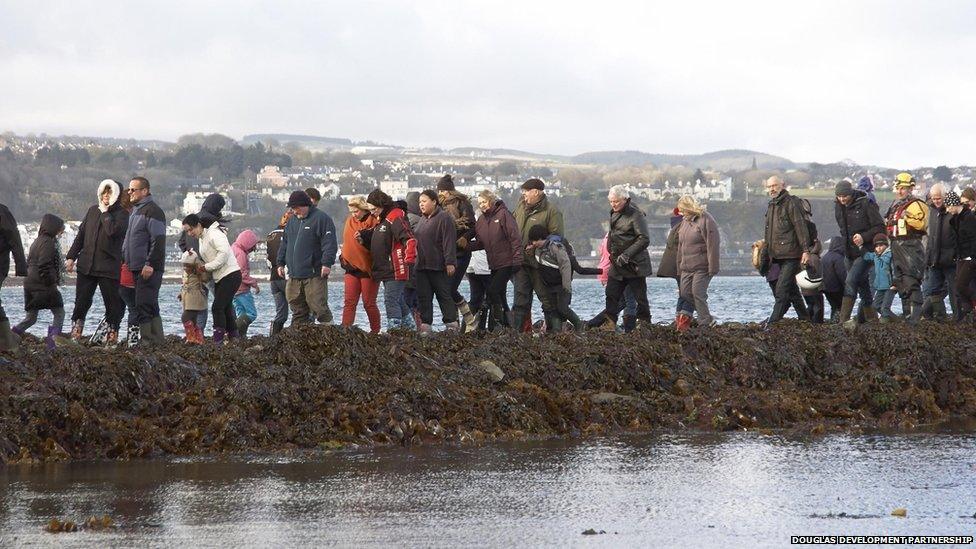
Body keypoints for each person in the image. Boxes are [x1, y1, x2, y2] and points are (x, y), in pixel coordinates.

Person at [64, 179, 128, 345]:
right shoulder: (93, 210)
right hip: (86, 265)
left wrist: (105, 213)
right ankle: (76, 333)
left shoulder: (122, 214)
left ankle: (112, 336)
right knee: (81, 302)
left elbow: (112, 231)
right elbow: (81, 235)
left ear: (116, 195)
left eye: (110, 192)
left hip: (108, 267)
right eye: (104, 192)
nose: (106, 195)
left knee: (112, 304)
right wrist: (71, 257)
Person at [276, 190, 338, 325]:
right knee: (297, 309)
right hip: (294, 274)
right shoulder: (291, 221)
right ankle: (298, 337)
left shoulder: (322, 219)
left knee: (319, 307)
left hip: (314, 273)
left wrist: (327, 263)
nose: (294, 211)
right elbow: (285, 243)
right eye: (292, 209)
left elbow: (330, 243)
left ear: (304, 205)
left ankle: (331, 332)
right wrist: (280, 263)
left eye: (295, 208)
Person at [513, 178, 564, 332]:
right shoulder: (520, 208)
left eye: (526, 191)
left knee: (547, 301)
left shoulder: (552, 211)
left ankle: (553, 334)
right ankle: (518, 335)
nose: (524, 195)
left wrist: (536, 246)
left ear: (536, 192)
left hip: (540, 265)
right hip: (521, 263)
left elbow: (557, 237)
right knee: (520, 301)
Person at [182, 213, 242, 343]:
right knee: (225, 307)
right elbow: (209, 255)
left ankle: (218, 341)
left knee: (217, 307)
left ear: (198, 225)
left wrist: (206, 267)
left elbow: (224, 254)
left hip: (231, 274)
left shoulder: (214, 233)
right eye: (187, 231)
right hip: (220, 277)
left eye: (190, 230)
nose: (189, 233)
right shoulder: (202, 237)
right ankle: (234, 337)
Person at [121, 176, 167, 345]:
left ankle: (147, 340)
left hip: (147, 268)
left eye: (133, 189)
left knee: (143, 304)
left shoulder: (153, 211)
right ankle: (158, 340)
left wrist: (150, 264)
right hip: (134, 266)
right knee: (150, 303)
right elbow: (129, 240)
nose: (130, 192)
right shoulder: (136, 211)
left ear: (145, 191)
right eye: (129, 189)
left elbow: (158, 240)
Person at [600, 185, 653, 329]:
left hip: (634, 264)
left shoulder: (636, 215)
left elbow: (644, 239)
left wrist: (627, 255)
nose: (613, 204)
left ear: (625, 199)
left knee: (640, 298)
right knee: (611, 294)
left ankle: (645, 325)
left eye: (616, 201)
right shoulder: (614, 213)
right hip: (617, 264)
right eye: (611, 201)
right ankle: (609, 324)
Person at [762, 175, 813, 323]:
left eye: (775, 186)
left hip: (791, 254)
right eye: (769, 186)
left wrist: (805, 250)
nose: (772, 189)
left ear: (782, 185)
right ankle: (805, 318)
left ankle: (772, 323)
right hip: (775, 255)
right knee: (792, 290)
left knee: (781, 289)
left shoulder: (790, 203)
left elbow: (800, 227)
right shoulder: (771, 205)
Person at [363, 189, 416, 330]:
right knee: (398, 300)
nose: (372, 213)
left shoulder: (395, 216)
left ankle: (394, 330)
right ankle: (411, 329)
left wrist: (409, 258)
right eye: (370, 210)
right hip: (386, 268)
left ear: (382, 204)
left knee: (390, 300)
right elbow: (382, 238)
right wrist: (365, 236)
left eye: (374, 209)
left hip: (397, 266)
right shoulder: (382, 218)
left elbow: (409, 238)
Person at [833, 179, 885, 324]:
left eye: (845, 196)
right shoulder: (838, 206)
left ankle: (843, 321)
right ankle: (872, 319)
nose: (842, 199)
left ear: (851, 193)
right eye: (839, 196)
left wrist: (864, 236)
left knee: (850, 281)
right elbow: (843, 230)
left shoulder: (865, 204)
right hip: (849, 252)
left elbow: (880, 227)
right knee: (863, 287)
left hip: (866, 251)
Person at [470, 189, 522, 331]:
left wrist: (517, 259)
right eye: (480, 203)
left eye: (484, 202)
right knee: (499, 294)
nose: (482, 205)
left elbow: (515, 237)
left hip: (507, 261)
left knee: (492, 291)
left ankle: (498, 322)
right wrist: (464, 247)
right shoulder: (481, 220)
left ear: (491, 201)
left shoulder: (503, 214)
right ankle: (507, 324)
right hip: (493, 264)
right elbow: (480, 243)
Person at [12, 214, 66, 350]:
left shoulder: (37, 241)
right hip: (42, 284)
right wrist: (50, 282)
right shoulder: (48, 242)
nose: (61, 233)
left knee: (31, 317)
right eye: (60, 229)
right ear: (53, 228)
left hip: (29, 283)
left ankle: (10, 336)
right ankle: (51, 344)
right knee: (59, 313)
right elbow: (44, 264)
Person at [884, 172, 929, 324]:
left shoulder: (917, 204)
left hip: (911, 246)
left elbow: (922, 224)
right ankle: (906, 315)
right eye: (898, 188)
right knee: (900, 281)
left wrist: (907, 217)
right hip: (896, 246)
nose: (899, 191)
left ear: (910, 188)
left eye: (902, 188)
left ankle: (915, 318)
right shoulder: (894, 205)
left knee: (911, 281)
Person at [179, 193, 227, 331]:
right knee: (221, 302)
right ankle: (226, 331)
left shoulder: (192, 219)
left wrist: (190, 254)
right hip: (208, 268)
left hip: (192, 268)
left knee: (197, 303)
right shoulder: (211, 221)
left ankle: (196, 333)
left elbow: (181, 242)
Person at [436, 175, 478, 331]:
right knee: (445, 290)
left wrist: (466, 238)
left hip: (460, 252)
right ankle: (455, 323)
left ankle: (468, 319)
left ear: (450, 191)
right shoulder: (438, 206)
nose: (441, 193)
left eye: (443, 190)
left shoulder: (463, 203)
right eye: (439, 190)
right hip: (445, 253)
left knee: (450, 288)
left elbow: (473, 226)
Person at [414, 190, 459, 333]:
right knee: (424, 297)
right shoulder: (422, 219)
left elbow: (449, 241)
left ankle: (452, 325)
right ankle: (426, 326)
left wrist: (450, 262)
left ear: (434, 201)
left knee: (444, 295)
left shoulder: (444, 218)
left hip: (438, 265)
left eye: (424, 201)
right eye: (420, 202)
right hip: (421, 266)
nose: (421, 204)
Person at [675, 195, 720, 328]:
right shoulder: (684, 222)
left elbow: (713, 244)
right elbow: (680, 246)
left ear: (688, 208)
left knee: (698, 293)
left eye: (682, 210)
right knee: (684, 293)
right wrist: (679, 266)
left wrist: (713, 267)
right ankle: (707, 317)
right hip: (686, 267)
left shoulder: (706, 219)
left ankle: (705, 322)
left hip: (702, 266)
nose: (681, 213)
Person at [528, 225, 583, 330]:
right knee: (554, 310)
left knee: (563, 308)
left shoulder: (555, 247)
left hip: (561, 284)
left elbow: (565, 265)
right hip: (549, 285)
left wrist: (566, 286)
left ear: (541, 238)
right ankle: (556, 332)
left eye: (535, 241)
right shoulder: (537, 250)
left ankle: (579, 325)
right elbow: (536, 264)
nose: (533, 243)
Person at [339, 196, 380, 333]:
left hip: (369, 268)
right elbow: (347, 242)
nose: (354, 214)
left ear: (363, 209)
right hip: (351, 267)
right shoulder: (349, 221)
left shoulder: (374, 221)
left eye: (356, 211)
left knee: (369, 303)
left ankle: (375, 331)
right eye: (351, 211)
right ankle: (345, 330)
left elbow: (377, 244)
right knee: (349, 302)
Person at [921, 183, 956, 321]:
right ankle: (940, 317)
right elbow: (930, 237)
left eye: (938, 198)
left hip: (950, 259)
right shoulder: (931, 211)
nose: (936, 200)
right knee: (932, 289)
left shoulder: (952, 211)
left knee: (954, 291)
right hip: (934, 258)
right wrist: (928, 257)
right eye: (934, 198)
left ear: (945, 196)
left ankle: (957, 317)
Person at [0, 201, 28, 352]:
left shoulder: (2, 212)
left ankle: (9, 342)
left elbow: (14, 239)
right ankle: (9, 339)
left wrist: (21, 266)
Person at [947, 190, 976, 322]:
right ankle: (968, 311)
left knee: (960, 285)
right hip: (960, 256)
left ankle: (971, 306)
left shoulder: (969, 217)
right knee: (958, 287)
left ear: (954, 204)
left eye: (948, 206)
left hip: (970, 257)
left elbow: (972, 238)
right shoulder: (955, 219)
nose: (947, 210)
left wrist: (972, 256)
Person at [265, 211, 291, 335]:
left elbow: (268, 259)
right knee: (301, 311)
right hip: (287, 277)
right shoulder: (291, 233)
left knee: (281, 313)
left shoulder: (271, 235)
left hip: (273, 278)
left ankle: (273, 338)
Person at [231, 229, 260, 337]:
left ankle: (241, 337)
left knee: (241, 314)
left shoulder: (233, 248)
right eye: (253, 246)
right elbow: (242, 275)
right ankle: (232, 332)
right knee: (251, 314)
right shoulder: (241, 254)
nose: (253, 249)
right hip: (242, 289)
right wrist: (254, 283)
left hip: (233, 289)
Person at [861, 234, 896, 322]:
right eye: (876, 246)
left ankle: (897, 321)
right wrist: (860, 246)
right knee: (876, 305)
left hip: (890, 286)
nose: (878, 248)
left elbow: (895, 270)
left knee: (885, 308)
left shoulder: (891, 255)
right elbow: (866, 256)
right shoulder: (875, 256)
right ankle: (890, 319)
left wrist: (895, 284)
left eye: (881, 245)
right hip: (880, 287)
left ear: (886, 245)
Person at [178, 250, 208, 344]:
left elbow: (206, 278)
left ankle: (191, 338)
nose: (185, 268)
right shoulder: (185, 272)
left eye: (188, 266)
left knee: (185, 317)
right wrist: (180, 293)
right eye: (184, 265)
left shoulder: (198, 271)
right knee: (193, 319)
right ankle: (198, 339)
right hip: (187, 297)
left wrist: (200, 270)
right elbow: (185, 284)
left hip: (195, 297)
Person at [820, 236, 848, 321]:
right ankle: (838, 321)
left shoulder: (825, 256)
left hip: (826, 288)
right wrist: (847, 285)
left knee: (834, 306)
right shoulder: (839, 258)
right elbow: (842, 274)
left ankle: (833, 320)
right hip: (836, 288)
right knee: (839, 306)